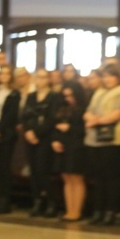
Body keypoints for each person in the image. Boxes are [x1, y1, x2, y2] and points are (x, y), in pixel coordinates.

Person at [84, 63, 120, 226]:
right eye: (105, 76)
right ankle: (99, 210)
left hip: (114, 141)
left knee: (111, 177)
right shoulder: (99, 92)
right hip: (95, 140)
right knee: (98, 177)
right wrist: (90, 117)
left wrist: (97, 120)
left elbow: (117, 114)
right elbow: (88, 110)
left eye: (111, 76)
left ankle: (111, 211)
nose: (107, 79)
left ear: (117, 77)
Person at [22, 69, 60, 217]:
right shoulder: (31, 97)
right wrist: (28, 131)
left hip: (45, 138)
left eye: (43, 78)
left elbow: (52, 119)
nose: (40, 80)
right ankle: (37, 201)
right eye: (38, 77)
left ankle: (51, 202)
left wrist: (37, 133)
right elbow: (25, 116)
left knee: (44, 170)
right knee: (34, 171)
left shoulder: (54, 97)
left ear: (48, 79)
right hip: (30, 137)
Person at [52, 80, 88, 221]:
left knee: (76, 178)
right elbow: (55, 126)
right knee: (66, 177)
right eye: (66, 96)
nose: (68, 99)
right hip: (63, 144)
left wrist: (70, 128)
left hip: (77, 145)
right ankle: (69, 210)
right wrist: (55, 140)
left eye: (71, 96)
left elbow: (84, 129)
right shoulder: (62, 108)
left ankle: (77, 211)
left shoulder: (84, 108)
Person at [0, 65, 20, 214]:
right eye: (2, 73)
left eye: (7, 73)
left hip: (7, 134)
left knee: (5, 167)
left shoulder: (14, 94)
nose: (4, 76)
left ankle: (6, 199)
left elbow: (11, 115)